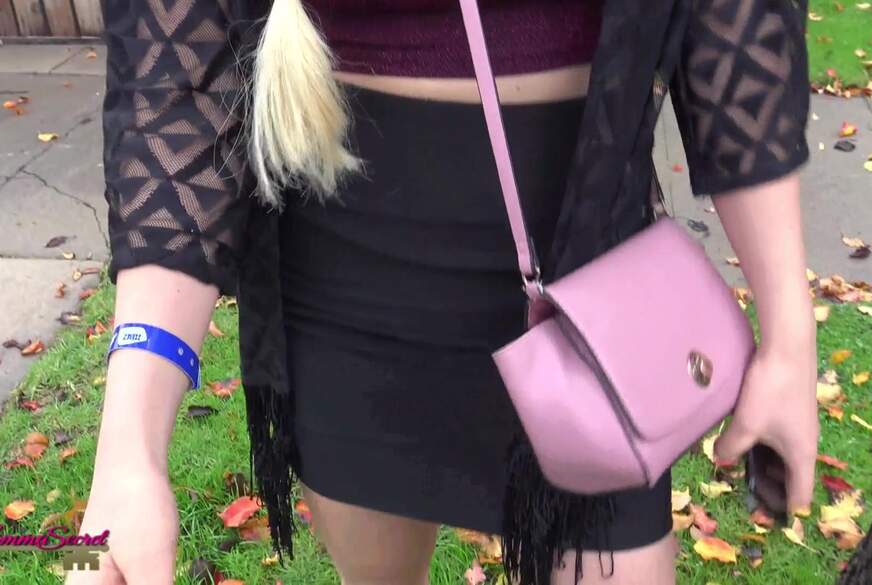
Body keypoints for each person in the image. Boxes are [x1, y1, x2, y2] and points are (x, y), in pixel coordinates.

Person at [67, 0, 819, 584]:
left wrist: (790, 337)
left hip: (590, 275)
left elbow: (734, 22)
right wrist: (128, 449)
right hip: (348, 271)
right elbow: (175, 86)